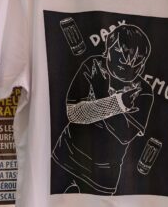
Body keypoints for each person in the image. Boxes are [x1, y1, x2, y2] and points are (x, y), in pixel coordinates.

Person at [52, 24, 154, 195]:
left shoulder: (142, 91)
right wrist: (119, 102)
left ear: (142, 66)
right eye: (120, 52)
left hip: (102, 177)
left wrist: (97, 98)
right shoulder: (93, 65)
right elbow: (74, 113)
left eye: (136, 59)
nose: (126, 62)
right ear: (107, 50)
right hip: (64, 157)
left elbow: (124, 134)